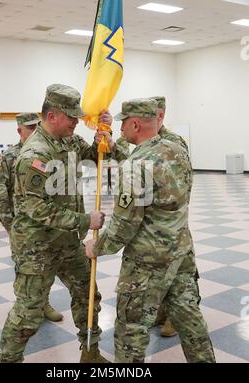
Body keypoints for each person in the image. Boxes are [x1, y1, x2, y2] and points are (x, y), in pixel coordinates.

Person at [85, 98, 216, 363]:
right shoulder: (176, 149)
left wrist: (96, 246)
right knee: (189, 319)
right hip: (180, 251)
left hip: (147, 261)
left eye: (123, 123)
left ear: (135, 124)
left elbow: (124, 224)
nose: (120, 129)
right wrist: (110, 142)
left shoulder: (136, 166)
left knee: (130, 329)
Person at [0, 84, 119, 363]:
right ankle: (8, 359)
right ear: (52, 116)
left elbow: (99, 156)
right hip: (37, 246)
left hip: (67, 241)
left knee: (88, 295)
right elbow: (34, 207)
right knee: (29, 310)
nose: (76, 122)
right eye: (71, 117)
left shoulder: (70, 141)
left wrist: (106, 134)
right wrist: (84, 219)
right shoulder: (34, 155)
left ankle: (90, 351)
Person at [0, 113, 63, 323]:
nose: (33, 131)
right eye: (29, 128)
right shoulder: (8, 157)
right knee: (26, 270)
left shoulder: (47, 152)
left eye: (36, 127)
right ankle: (26, 308)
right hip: (24, 228)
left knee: (47, 267)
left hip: (46, 225)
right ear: (19, 131)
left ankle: (44, 303)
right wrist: (11, 226)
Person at [151, 96, 196, 337]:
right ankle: (160, 311)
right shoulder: (147, 140)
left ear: (161, 116)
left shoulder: (173, 141)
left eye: (155, 114)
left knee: (177, 269)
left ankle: (173, 318)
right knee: (157, 270)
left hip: (171, 220)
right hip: (153, 224)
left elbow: (182, 182)